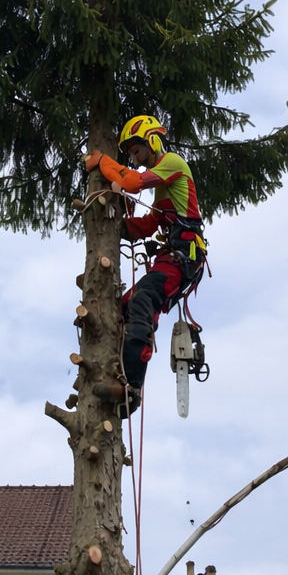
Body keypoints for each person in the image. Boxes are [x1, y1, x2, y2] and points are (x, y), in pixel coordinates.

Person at [83, 115, 207, 413]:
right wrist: (116, 225)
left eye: (136, 150)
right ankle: (119, 375)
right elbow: (149, 224)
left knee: (141, 300)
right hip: (170, 257)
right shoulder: (165, 191)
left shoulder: (174, 164)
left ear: (152, 141)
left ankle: (132, 390)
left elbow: (133, 182)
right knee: (125, 307)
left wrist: (102, 161)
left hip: (184, 256)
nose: (134, 158)